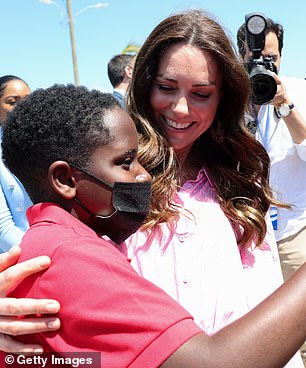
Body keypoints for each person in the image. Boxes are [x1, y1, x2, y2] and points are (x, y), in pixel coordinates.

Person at [0, 9, 303, 366]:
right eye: (167, 88)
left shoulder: (240, 175)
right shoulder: (111, 179)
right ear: (145, 84)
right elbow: (62, 289)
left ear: (224, 97)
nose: (180, 108)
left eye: (201, 93)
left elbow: (263, 288)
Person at [237, 14, 306, 365]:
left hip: (294, 234)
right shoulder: (229, 100)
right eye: (255, 58)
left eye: (272, 58)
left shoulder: (300, 91)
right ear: (239, 55)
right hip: (250, 238)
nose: (264, 64)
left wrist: (285, 106)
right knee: (264, 332)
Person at [0, 75, 32, 253]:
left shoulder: (47, 144)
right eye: (12, 102)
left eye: (28, 100)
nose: (23, 108)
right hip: (21, 259)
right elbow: (3, 230)